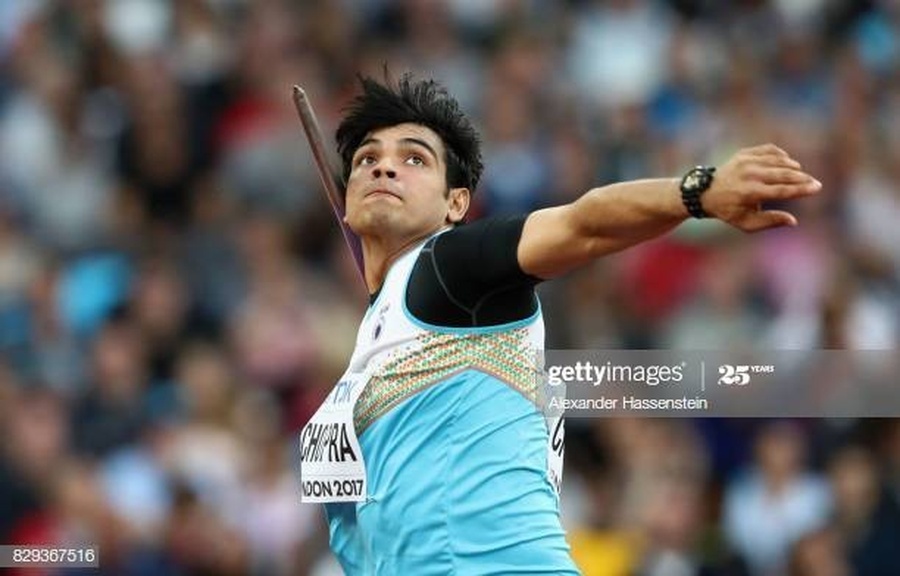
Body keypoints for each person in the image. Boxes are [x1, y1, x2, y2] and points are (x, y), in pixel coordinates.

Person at [297, 73, 821, 575]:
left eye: (414, 158)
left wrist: (696, 192)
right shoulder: (383, 330)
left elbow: (582, 223)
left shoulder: (448, 266)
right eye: (368, 159)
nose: (384, 168)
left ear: (456, 203)